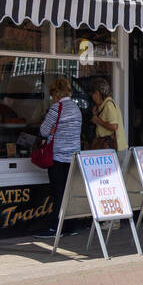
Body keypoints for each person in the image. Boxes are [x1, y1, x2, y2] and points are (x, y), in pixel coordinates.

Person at [34, 76, 82, 238]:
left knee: (58, 192)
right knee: (68, 192)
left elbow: (43, 131)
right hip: (74, 157)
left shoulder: (56, 108)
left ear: (56, 93)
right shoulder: (76, 109)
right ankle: (70, 226)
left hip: (59, 157)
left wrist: (53, 129)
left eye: (53, 94)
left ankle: (55, 228)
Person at [88, 78, 126, 150]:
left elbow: (114, 126)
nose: (92, 97)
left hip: (113, 147)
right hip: (108, 147)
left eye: (92, 94)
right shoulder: (104, 105)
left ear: (97, 93)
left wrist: (98, 121)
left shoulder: (109, 105)